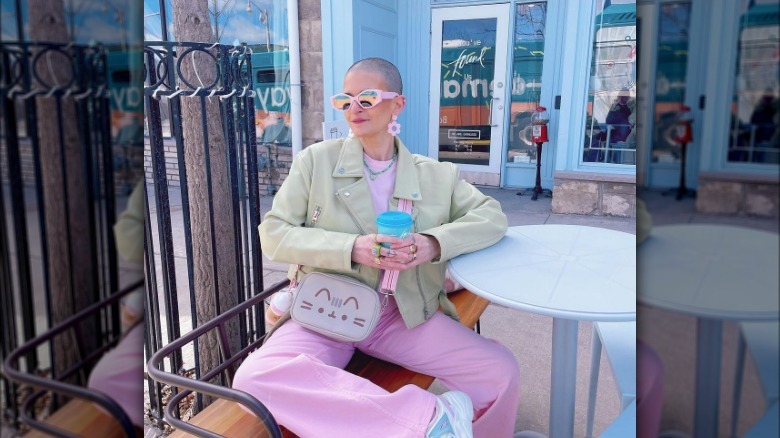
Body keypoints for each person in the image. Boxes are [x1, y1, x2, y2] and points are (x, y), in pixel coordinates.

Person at [233, 58, 520, 437]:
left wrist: (432, 244)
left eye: (367, 98)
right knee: (254, 378)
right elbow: (273, 233)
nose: (355, 108)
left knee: (500, 371)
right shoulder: (315, 161)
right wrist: (352, 248)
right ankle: (429, 423)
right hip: (328, 308)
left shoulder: (436, 175)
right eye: (346, 99)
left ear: (397, 105)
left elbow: (492, 217)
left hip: (400, 314)